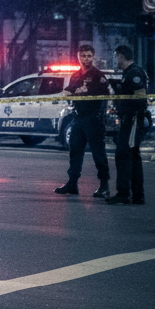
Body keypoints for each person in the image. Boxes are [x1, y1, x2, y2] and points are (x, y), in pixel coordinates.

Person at [55, 44, 111, 197]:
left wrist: (87, 92)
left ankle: (104, 186)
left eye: (89, 56)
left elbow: (105, 96)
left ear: (93, 57)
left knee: (98, 153)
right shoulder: (75, 76)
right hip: (78, 118)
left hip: (94, 119)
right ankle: (72, 183)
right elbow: (69, 91)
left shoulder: (98, 76)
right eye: (83, 56)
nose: (86, 59)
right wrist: (66, 93)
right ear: (78, 57)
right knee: (75, 151)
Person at [105, 45, 147, 205]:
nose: (116, 60)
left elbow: (139, 97)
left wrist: (124, 100)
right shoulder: (128, 73)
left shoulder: (134, 72)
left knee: (123, 154)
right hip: (129, 119)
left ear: (121, 56)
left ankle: (124, 193)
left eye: (116, 56)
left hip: (133, 119)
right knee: (132, 155)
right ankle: (137, 195)